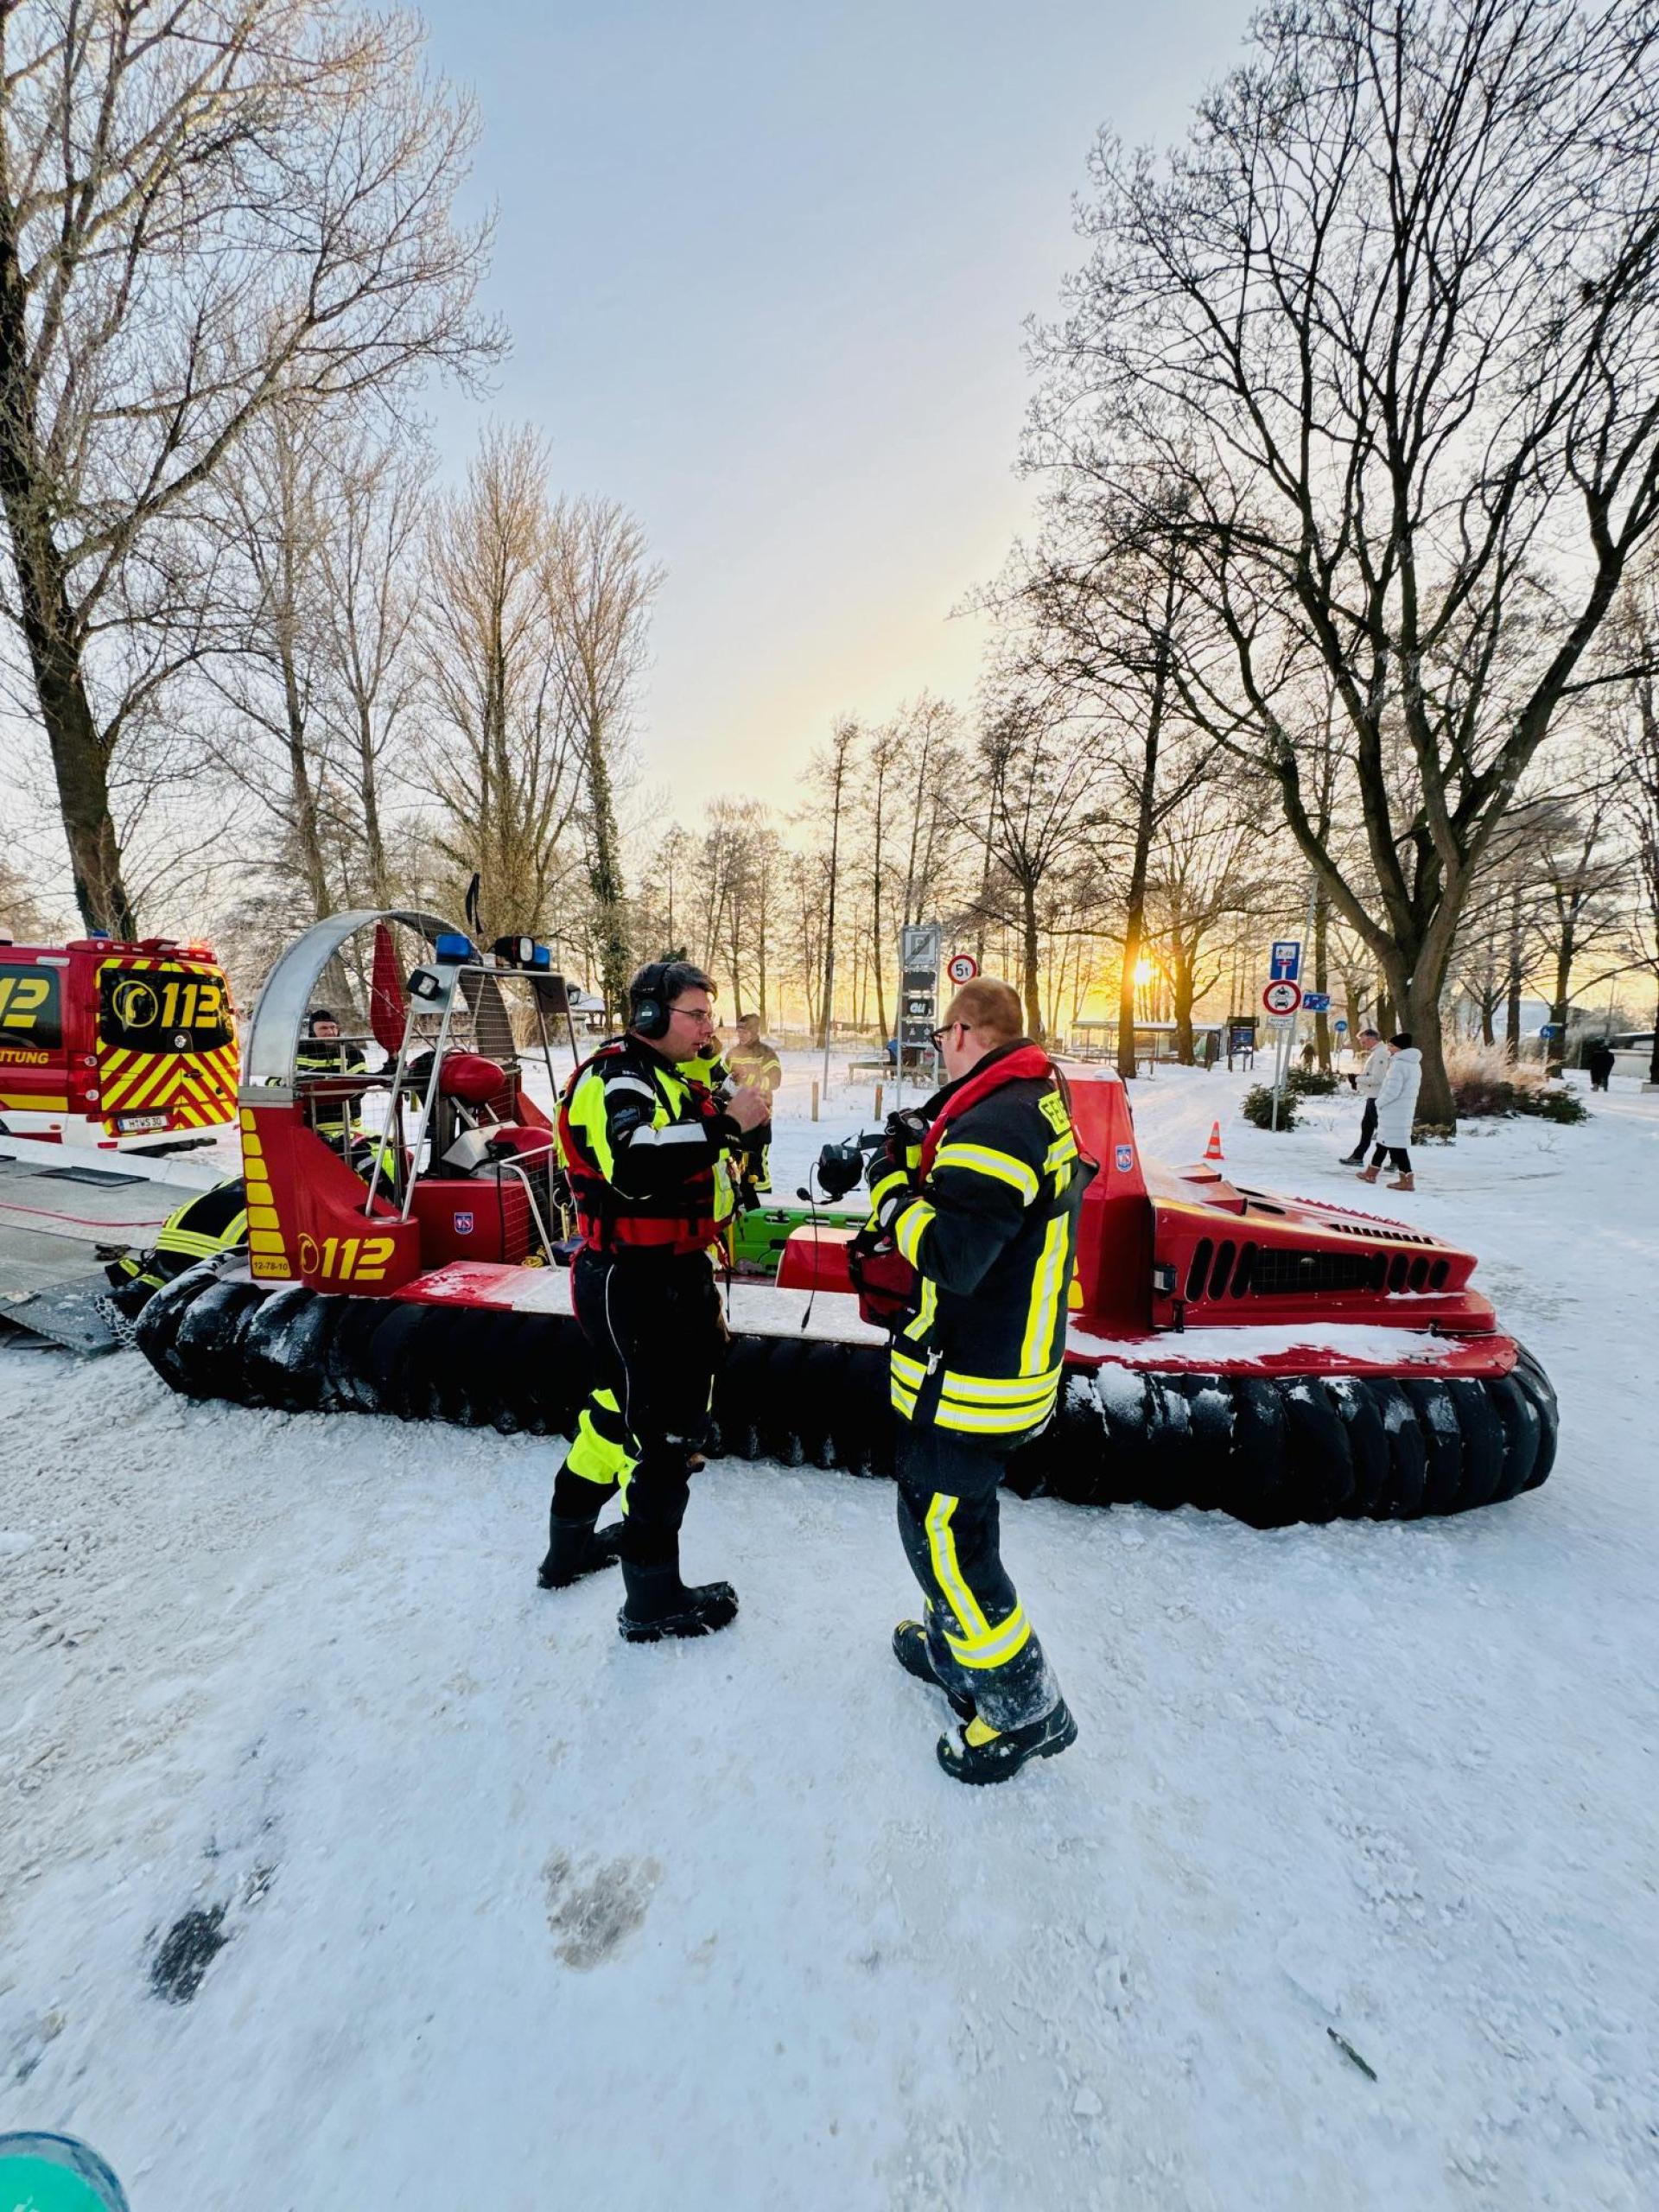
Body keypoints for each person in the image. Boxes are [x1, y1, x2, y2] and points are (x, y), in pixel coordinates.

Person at [863, 976, 1085, 1785]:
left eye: (938, 1041)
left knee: (951, 1546)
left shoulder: (994, 1124)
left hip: (975, 1378)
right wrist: (928, 1148)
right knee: (930, 1525)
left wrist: (892, 1192)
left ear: (963, 1034)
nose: (935, 1055)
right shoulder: (1030, 1098)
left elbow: (954, 1259)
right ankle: (958, 1655)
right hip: (985, 1360)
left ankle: (1026, 1712)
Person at [540, 960, 769, 1640]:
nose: (709, 1027)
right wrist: (727, 1125)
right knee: (665, 1440)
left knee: (613, 1418)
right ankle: (652, 1601)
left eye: (710, 1014)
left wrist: (735, 1110)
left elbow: (714, 1134)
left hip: (665, 1277)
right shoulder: (617, 1080)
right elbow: (636, 1166)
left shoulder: (675, 1076)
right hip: (637, 1282)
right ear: (647, 1016)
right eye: (695, 1015)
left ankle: (571, 1548)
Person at [104, 1178, 249, 1316]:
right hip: (213, 1256)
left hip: (170, 1241)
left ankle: (150, 1282)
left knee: (165, 1274)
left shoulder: (234, 1180)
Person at [1356, 1034, 1422, 1192]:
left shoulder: (1399, 1064)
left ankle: (1407, 1180)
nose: (1389, 1049)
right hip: (1402, 1110)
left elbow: (1392, 1090)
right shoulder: (1413, 1064)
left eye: (1392, 1046)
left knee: (1397, 1146)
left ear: (1400, 1047)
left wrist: (1379, 1102)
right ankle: (1371, 1173)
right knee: (1383, 1141)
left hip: (1394, 1110)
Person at [727, 1012, 783, 1192]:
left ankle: (763, 1196)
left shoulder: (766, 1053)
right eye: (738, 1032)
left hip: (760, 1115)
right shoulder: (732, 1054)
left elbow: (775, 1081)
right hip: (738, 1116)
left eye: (744, 1032)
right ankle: (745, 1195)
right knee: (738, 1157)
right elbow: (722, 1079)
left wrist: (749, 1077)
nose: (740, 1036)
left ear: (754, 1032)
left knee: (757, 1160)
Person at [1339, 1027, 1389, 1164]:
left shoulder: (1381, 1054)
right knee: (1367, 1128)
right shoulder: (1377, 1053)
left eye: (1363, 1041)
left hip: (1377, 1097)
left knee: (1383, 1131)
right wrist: (1359, 1078)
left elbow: (1377, 1079)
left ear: (1372, 1039)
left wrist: (1357, 1079)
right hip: (1372, 1096)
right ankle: (1357, 1156)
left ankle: (1396, 1160)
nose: (1362, 1045)